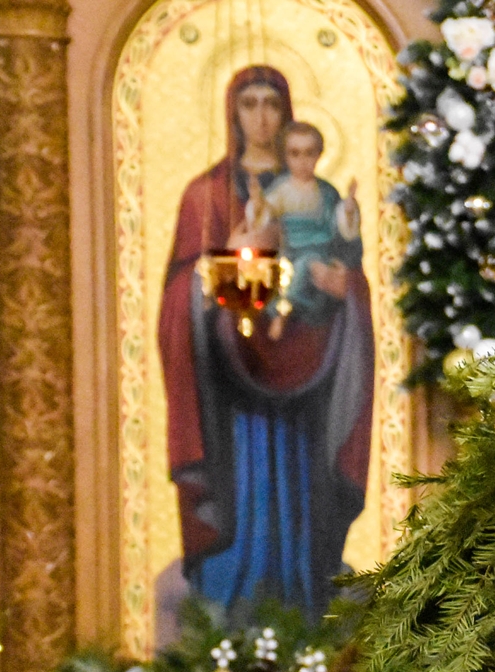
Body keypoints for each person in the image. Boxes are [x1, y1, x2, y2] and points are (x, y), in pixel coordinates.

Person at [158, 64, 373, 622]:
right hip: (231, 389)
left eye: (271, 104)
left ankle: (305, 608)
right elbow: (178, 295)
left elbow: (346, 265)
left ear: (288, 114)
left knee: (301, 492)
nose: (261, 117)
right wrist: (226, 264)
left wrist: (344, 286)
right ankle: (226, 615)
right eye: (249, 103)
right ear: (233, 112)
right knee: (245, 489)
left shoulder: (319, 194)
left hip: (309, 372)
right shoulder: (206, 194)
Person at [263, 121, 361, 336]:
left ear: (319, 155)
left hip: (322, 253)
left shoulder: (327, 192)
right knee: (292, 269)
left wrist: (348, 210)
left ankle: (286, 310)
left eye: (309, 153)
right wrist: (257, 205)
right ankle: (282, 309)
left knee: (309, 264)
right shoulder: (281, 190)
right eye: (295, 154)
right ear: (285, 156)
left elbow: (340, 228)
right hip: (290, 252)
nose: (302, 161)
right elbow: (264, 216)